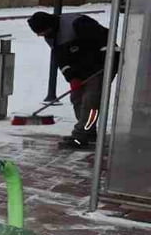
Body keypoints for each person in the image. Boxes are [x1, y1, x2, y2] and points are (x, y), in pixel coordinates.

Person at [27, 11, 118, 149]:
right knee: (77, 97)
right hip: (82, 68)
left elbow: (103, 41)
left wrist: (106, 64)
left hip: (103, 63)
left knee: (91, 99)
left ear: (50, 25)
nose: (41, 36)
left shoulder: (78, 23)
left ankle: (80, 136)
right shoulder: (50, 36)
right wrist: (72, 77)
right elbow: (61, 60)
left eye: (42, 32)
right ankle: (89, 131)